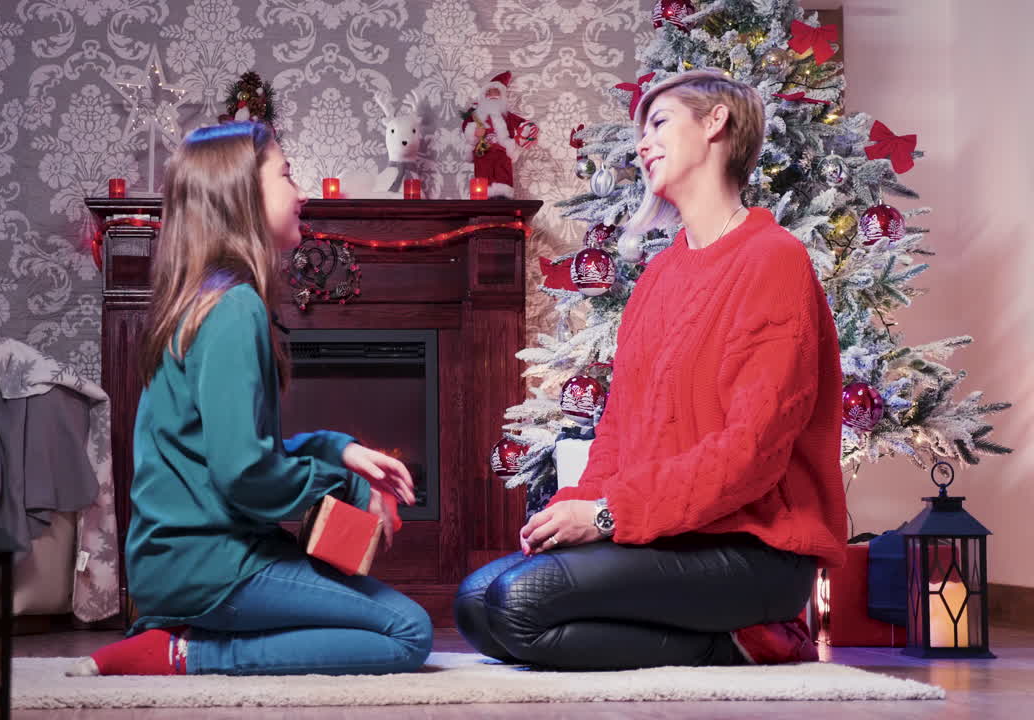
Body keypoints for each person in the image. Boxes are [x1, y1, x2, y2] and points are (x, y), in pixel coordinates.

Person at [453, 69, 847, 670]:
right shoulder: (659, 278)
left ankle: (749, 640)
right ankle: (717, 641)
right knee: (477, 604)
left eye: (659, 122)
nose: (642, 143)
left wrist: (610, 516)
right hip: (672, 537)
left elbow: (752, 452)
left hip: (754, 551)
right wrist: (575, 509)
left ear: (716, 123)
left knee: (519, 605)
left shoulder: (774, 261)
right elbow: (618, 431)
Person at [70, 122, 433, 677]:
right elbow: (244, 474)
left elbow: (229, 447)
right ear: (240, 193)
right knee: (408, 633)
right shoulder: (234, 308)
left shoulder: (207, 299)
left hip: (185, 561)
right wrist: (350, 487)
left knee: (362, 617)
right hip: (209, 565)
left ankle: (183, 631)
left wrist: (337, 449)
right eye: (286, 175)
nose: (301, 192)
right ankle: (186, 653)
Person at [460, 71, 538, 198]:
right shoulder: (476, 114)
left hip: (502, 151)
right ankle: (484, 197)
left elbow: (524, 125)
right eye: (488, 92)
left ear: (501, 96)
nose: (492, 95)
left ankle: (503, 197)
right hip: (482, 151)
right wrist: (474, 132)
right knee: (483, 172)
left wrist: (527, 132)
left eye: (495, 92)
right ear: (484, 95)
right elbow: (466, 126)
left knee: (503, 171)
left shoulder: (506, 116)